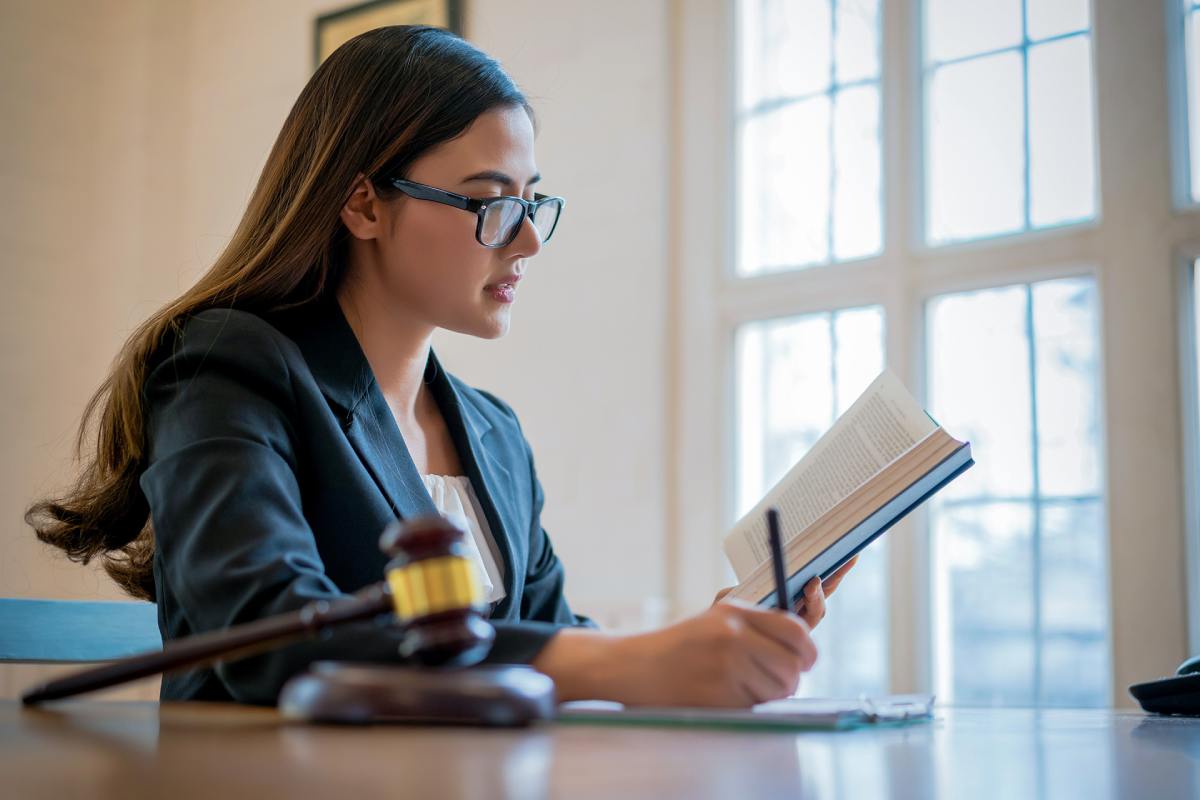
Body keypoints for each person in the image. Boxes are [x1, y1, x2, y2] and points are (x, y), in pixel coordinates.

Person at [26, 25, 854, 708]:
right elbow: (274, 632)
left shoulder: (493, 432)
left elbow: (551, 648)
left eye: (531, 201)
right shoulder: (224, 368)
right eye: (493, 202)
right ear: (362, 204)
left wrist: (712, 637)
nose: (527, 238)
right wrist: (630, 663)